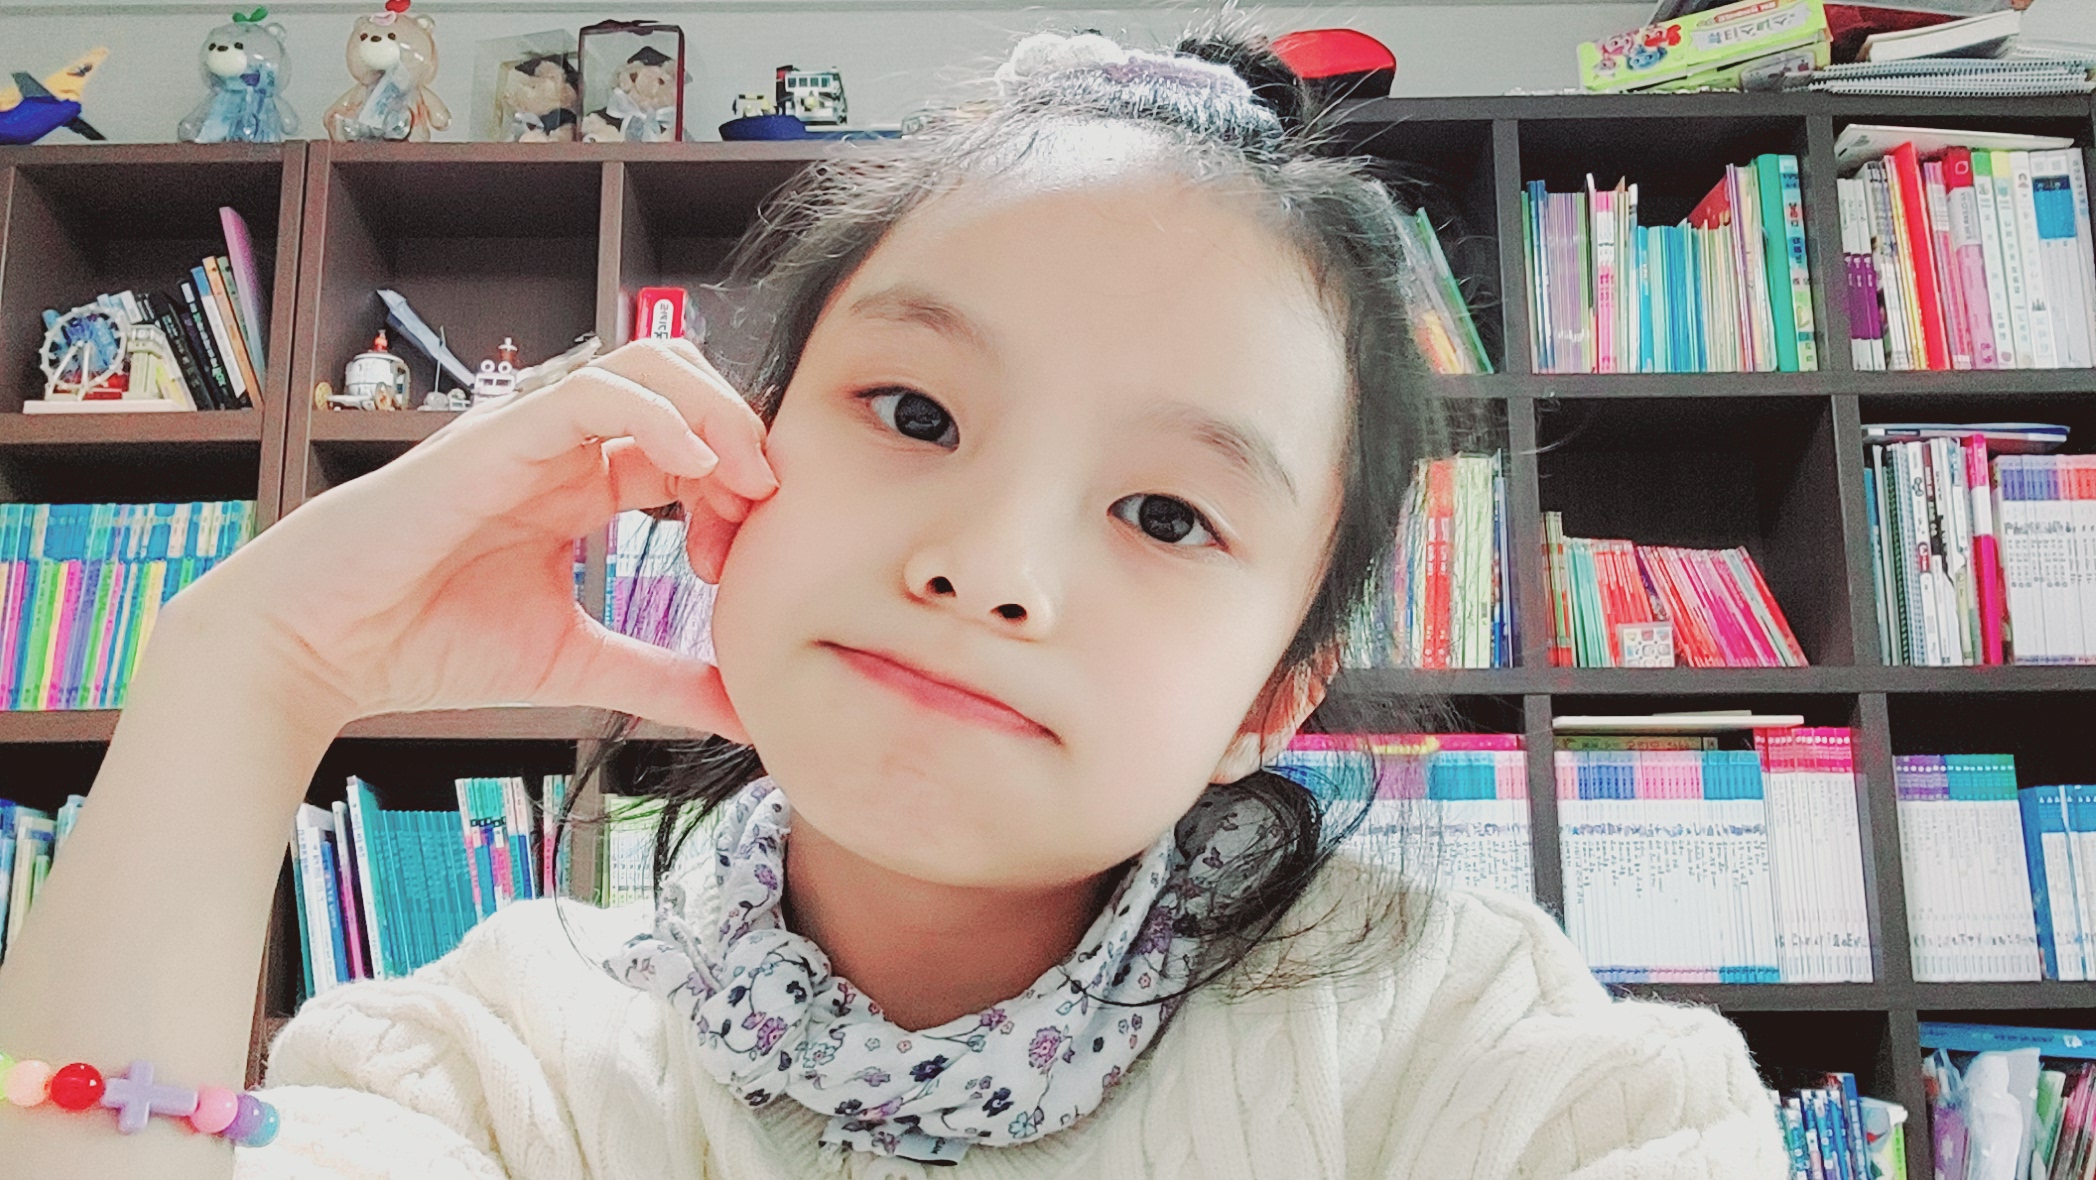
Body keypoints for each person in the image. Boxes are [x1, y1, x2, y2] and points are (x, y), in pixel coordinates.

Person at [0, 20, 1789, 1180]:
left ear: (1273, 695)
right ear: (730, 474)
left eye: (1166, 513)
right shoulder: (500, 1064)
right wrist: (249, 667)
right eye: (916, 414)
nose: (986, 569)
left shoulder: (1473, 1058)